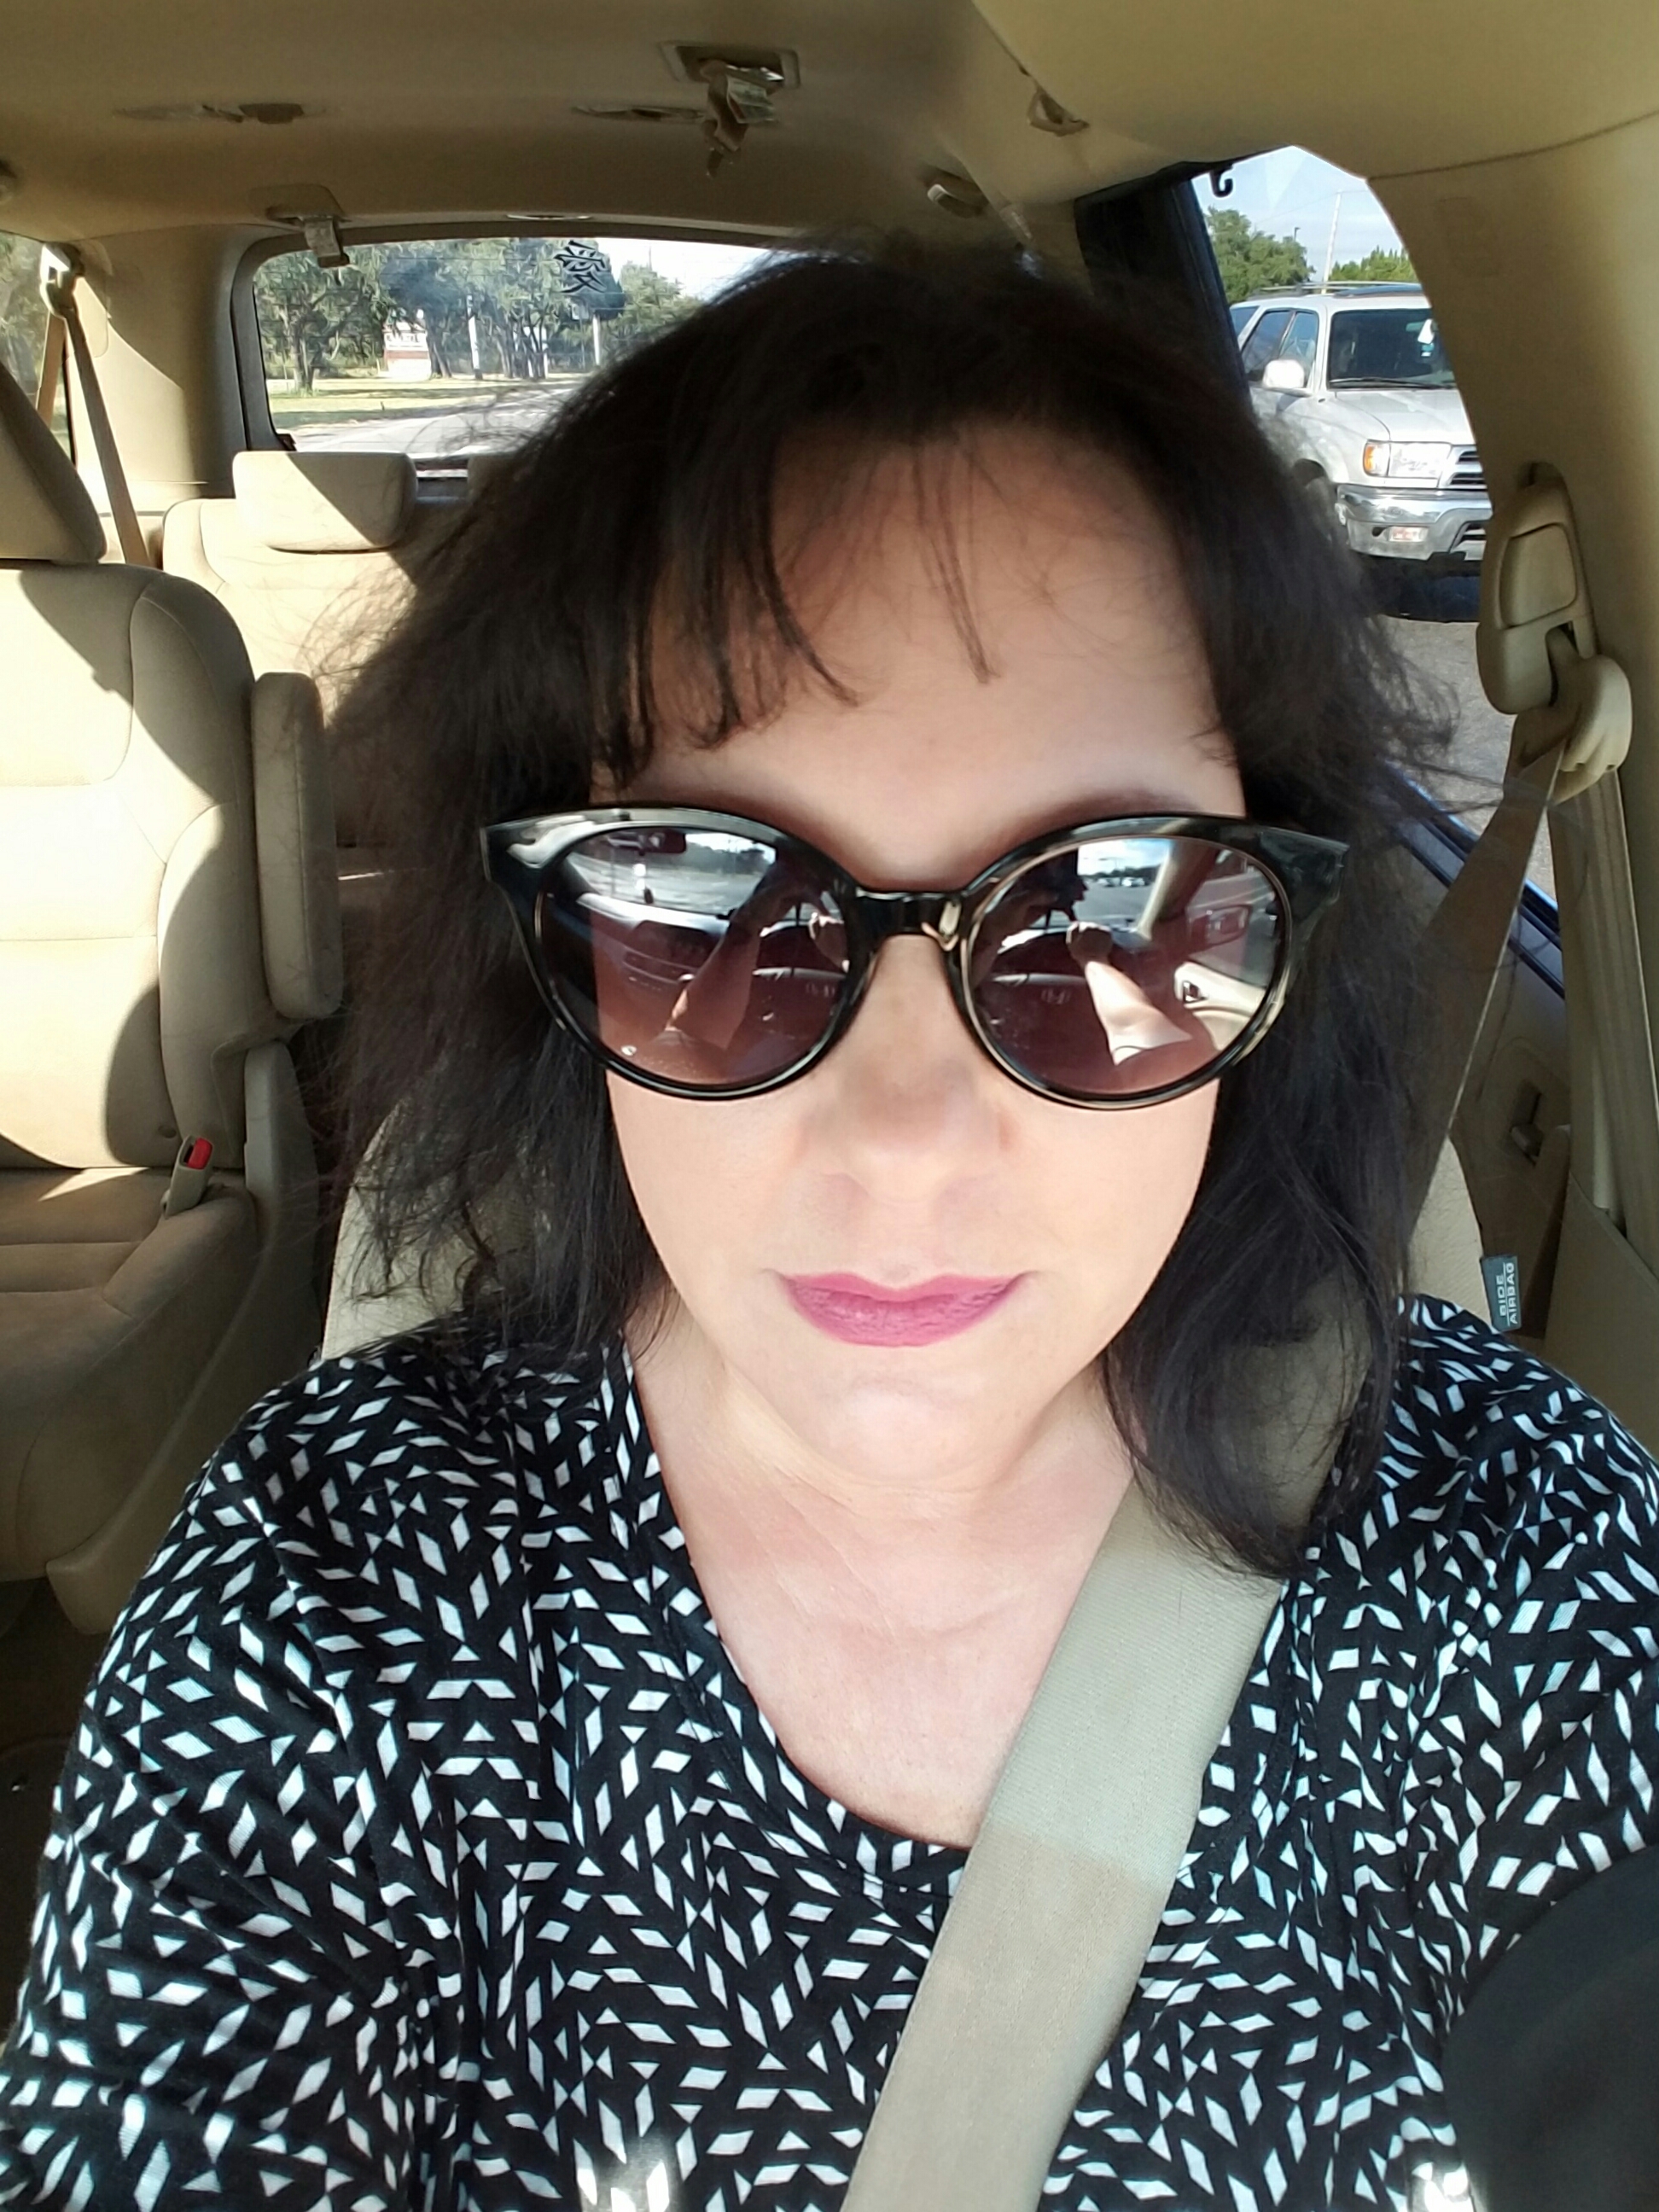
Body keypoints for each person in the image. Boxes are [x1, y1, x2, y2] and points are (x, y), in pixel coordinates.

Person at [1, 239, 1655, 2212]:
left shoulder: (1513, 1552)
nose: (905, 1142)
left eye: (1112, 914)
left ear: (1275, 954)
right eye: (706, 910)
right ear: (552, 950)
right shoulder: (333, 1587)